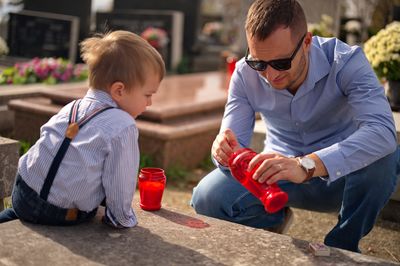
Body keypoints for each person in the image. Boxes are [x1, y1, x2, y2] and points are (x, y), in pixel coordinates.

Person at [191, 0, 399, 253]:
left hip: (341, 177)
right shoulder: (245, 73)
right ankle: (273, 218)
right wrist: (223, 150)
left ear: (307, 42)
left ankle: (343, 246)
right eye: (259, 63)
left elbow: (383, 132)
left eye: (281, 63)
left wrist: (306, 165)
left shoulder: (346, 62)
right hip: (275, 176)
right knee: (207, 196)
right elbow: (234, 148)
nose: (270, 75)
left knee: (385, 157)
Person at [0, 30, 165, 228]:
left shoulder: (75, 106)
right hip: (58, 212)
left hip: (24, 189)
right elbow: (120, 183)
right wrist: (120, 219)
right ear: (119, 90)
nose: (150, 103)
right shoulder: (123, 125)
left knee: (19, 212)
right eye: (147, 95)